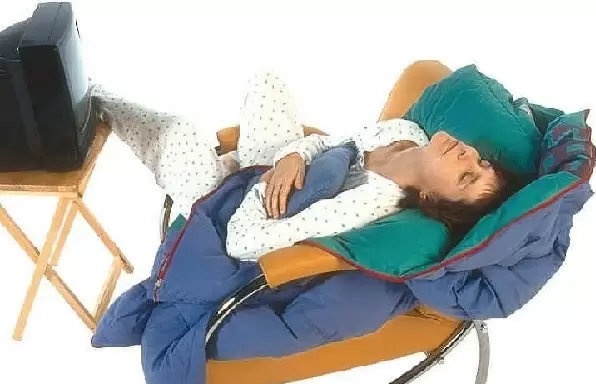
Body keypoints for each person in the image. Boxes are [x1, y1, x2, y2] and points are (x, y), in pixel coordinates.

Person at [91, 70, 521, 262]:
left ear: (429, 198)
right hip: (278, 170)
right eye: (480, 161)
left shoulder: (368, 203)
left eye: (466, 177)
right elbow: (330, 143)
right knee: (268, 81)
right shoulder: (407, 132)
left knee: (178, 135)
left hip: (231, 213)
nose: (468, 156)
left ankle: (93, 102)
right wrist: (291, 157)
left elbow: (244, 244)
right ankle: (89, 95)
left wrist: (256, 188)